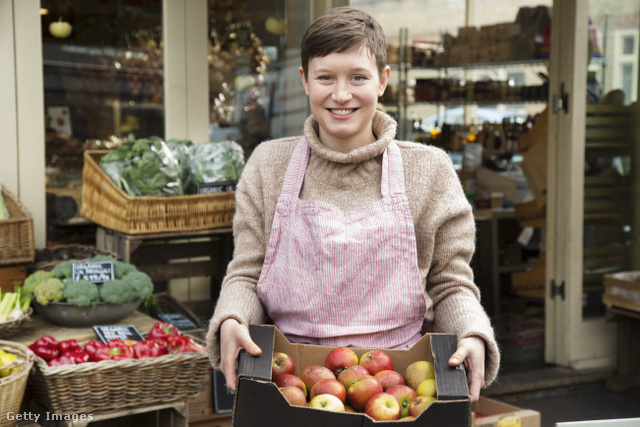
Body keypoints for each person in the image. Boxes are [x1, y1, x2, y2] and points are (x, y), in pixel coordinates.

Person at [206, 6, 500, 402]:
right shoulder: (268, 166)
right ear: (304, 81)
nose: (341, 95)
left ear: (382, 81)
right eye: (325, 77)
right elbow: (246, 274)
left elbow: (450, 284)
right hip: (292, 385)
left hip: (398, 385)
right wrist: (232, 319)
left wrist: (472, 333)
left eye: (357, 77)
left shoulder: (428, 170)